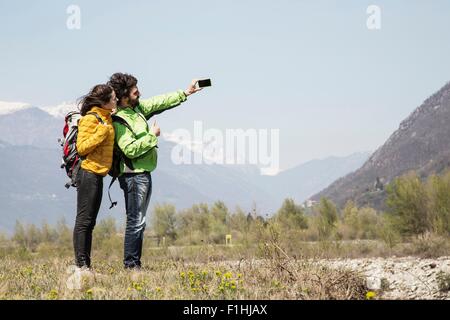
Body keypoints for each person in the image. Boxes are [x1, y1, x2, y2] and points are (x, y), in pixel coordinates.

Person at [107, 73, 202, 269]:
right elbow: (130, 149)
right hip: (133, 177)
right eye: (135, 91)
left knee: (139, 221)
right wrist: (152, 136)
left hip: (143, 174)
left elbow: (160, 101)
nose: (139, 93)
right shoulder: (119, 121)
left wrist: (186, 92)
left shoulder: (137, 109)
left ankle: (134, 264)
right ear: (124, 97)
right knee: (136, 221)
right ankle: (131, 266)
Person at [73, 84, 117, 269]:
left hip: (98, 174)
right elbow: (82, 147)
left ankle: (85, 265)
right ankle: (82, 266)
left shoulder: (105, 118)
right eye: (113, 97)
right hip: (88, 173)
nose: (116, 100)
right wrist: (102, 131)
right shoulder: (90, 119)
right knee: (84, 221)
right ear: (104, 101)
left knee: (90, 222)